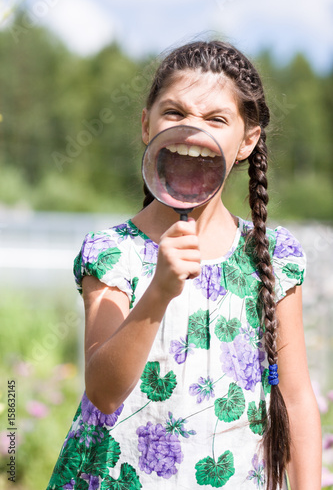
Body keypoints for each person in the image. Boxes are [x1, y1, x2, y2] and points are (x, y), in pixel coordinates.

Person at [47, 40, 322, 490]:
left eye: (216, 119)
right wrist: (159, 289)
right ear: (146, 125)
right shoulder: (114, 252)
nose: (192, 130)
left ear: (247, 141)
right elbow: (102, 390)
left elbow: (295, 398)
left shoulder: (274, 257)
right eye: (174, 113)